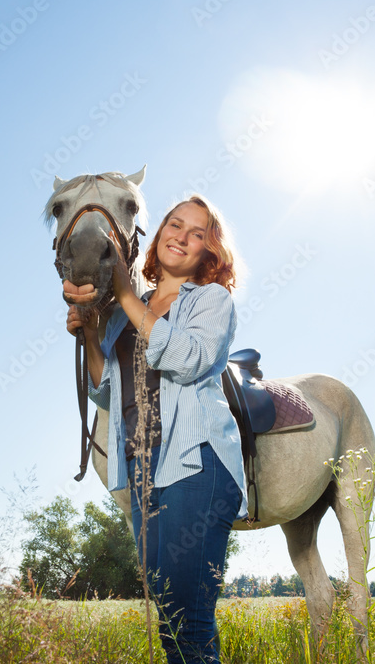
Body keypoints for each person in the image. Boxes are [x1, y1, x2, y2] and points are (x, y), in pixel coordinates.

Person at [63, 194, 247, 664]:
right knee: (170, 617)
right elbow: (106, 390)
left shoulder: (211, 300)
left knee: (191, 618)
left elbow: (189, 361)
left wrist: (124, 293)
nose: (182, 237)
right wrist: (89, 331)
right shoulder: (128, 314)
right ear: (160, 231)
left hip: (196, 462)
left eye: (198, 233)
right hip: (143, 469)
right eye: (175, 224)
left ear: (211, 252)